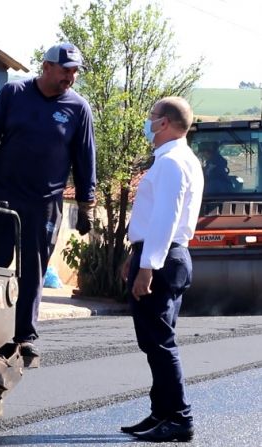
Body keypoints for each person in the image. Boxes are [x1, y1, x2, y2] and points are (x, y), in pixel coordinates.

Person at [0, 43, 96, 359]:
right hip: (3, 196)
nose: (71, 77)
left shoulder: (78, 109)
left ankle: (23, 335)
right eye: (66, 70)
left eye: (75, 71)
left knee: (32, 271)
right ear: (47, 67)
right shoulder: (14, 94)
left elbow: (85, 159)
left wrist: (86, 204)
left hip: (44, 205)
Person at [120, 97, 204, 442]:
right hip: (165, 254)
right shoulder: (178, 159)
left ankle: (180, 417)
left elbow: (165, 219)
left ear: (165, 123)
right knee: (155, 342)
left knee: (160, 343)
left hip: (163, 257)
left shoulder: (171, 162)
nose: (148, 121)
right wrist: (135, 254)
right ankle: (162, 412)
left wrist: (147, 265)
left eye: (151, 116)